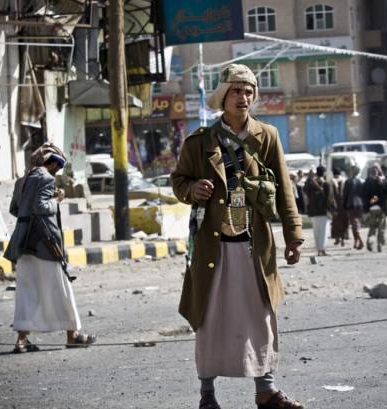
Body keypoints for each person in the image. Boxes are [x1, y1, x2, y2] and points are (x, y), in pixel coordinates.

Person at [171, 64, 304, 409]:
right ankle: (207, 395)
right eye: (236, 91)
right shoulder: (200, 142)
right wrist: (192, 189)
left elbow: (284, 189)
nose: (243, 97)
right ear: (223, 96)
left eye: (248, 91)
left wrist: (294, 236)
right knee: (209, 317)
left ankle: (266, 390)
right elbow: (178, 181)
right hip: (212, 249)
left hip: (253, 248)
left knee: (261, 316)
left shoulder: (267, 136)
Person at [4, 143, 96, 353]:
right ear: (53, 164)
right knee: (62, 289)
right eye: (58, 167)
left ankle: (21, 341)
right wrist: (57, 199)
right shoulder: (45, 178)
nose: (57, 171)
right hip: (44, 244)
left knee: (27, 293)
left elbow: (15, 209)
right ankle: (72, 336)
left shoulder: (22, 181)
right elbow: (41, 207)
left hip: (23, 244)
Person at [304, 166, 335, 256]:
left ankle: (318, 250)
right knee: (324, 232)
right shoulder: (326, 183)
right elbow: (329, 198)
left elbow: (307, 197)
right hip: (323, 211)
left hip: (313, 212)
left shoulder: (310, 184)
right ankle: (322, 250)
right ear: (324, 173)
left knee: (316, 232)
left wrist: (308, 210)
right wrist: (332, 209)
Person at [362, 164, 387, 252]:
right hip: (381, 208)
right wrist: (384, 181)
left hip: (371, 208)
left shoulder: (367, 182)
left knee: (372, 227)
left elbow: (364, 195)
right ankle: (380, 245)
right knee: (381, 228)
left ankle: (370, 241)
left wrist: (368, 204)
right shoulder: (383, 180)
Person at [342, 165, 365, 250]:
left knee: (354, 224)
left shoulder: (348, 181)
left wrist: (344, 206)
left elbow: (345, 195)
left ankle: (360, 241)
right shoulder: (360, 181)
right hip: (360, 204)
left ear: (352, 171)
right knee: (355, 224)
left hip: (351, 205)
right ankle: (356, 242)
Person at [331, 167, 349, 246]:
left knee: (336, 222)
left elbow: (331, 194)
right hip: (343, 205)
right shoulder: (344, 181)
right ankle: (342, 239)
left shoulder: (332, 181)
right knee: (343, 222)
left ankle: (337, 238)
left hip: (336, 205)